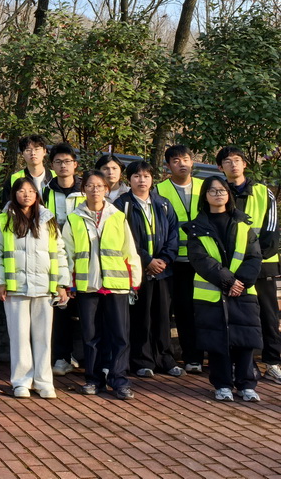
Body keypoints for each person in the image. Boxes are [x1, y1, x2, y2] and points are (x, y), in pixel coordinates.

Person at [0, 177, 70, 398]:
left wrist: (61, 284)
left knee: (43, 337)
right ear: (14, 194)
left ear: (37, 194)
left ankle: (44, 382)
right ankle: (21, 382)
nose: (27, 194)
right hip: (16, 287)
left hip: (45, 287)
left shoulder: (48, 219)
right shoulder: (3, 219)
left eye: (31, 191)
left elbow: (59, 252)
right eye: (22, 191)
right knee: (19, 336)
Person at [63, 170, 142, 400]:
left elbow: (129, 250)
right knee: (91, 336)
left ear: (107, 189)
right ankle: (93, 379)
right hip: (88, 285)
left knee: (120, 335)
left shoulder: (118, 217)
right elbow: (66, 253)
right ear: (83, 189)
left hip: (117, 284)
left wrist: (135, 280)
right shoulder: (74, 218)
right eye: (90, 185)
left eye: (99, 186)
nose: (95, 190)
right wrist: (67, 283)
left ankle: (119, 380)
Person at [186, 176, 263, 402]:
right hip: (211, 293)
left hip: (243, 292)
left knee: (245, 339)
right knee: (216, 341)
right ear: (205, 196)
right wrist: (228, 282)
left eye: (222, 190)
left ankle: (246, 385)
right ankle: (222, 384)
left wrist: (240, 282)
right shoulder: (196, 227)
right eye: (212, 191)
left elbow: (254, 257)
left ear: (228, 194)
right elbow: (200, 260)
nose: (218, 194)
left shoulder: (243, 224)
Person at [217, 146, 281, 383]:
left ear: (245, 164)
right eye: (227, 161)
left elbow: (271, 232)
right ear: (220, 167)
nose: (233, 164)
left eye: (237, 160)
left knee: (268, 316)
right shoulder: (218, 192)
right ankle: (243, 364)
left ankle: (272, 362)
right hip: (230, 269)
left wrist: (252, 262)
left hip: (262, 267)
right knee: (236, 317)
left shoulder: (264, 192)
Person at [113, 161, 182, 378]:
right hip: (137, 270)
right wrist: (147, 260)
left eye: (146, 176)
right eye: (136, 176)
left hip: (163, 271)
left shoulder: (163, 204)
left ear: (153, 179)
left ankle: (165, 358)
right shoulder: (122, 205)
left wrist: (164, 260)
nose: (141, 180)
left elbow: (174, 234)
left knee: (162, 317)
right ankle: (142, 360)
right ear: (129, 180)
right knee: (140, 316)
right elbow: (123, 238)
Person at [156, 145, 205, 373]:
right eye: (175, 160)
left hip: (203, 260)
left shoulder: (205, 187)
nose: (181, 164)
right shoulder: (160, 190)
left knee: (202, 310)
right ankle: (188, 358)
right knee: (181, 310)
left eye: (185, 159)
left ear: (192, 161)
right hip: (174, 261)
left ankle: (202, 356)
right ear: (168, 165)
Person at [42, 144, 84, 377]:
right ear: (52, 166)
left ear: (75, 164)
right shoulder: (46, 192)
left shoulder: (86, 190)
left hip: (84, 260)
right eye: (58, 162)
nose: (63, 166)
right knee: (61, 309)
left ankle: (87, 358)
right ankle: (61, 357)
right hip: (56, 258)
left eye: (67, 161)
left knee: (87, 310)